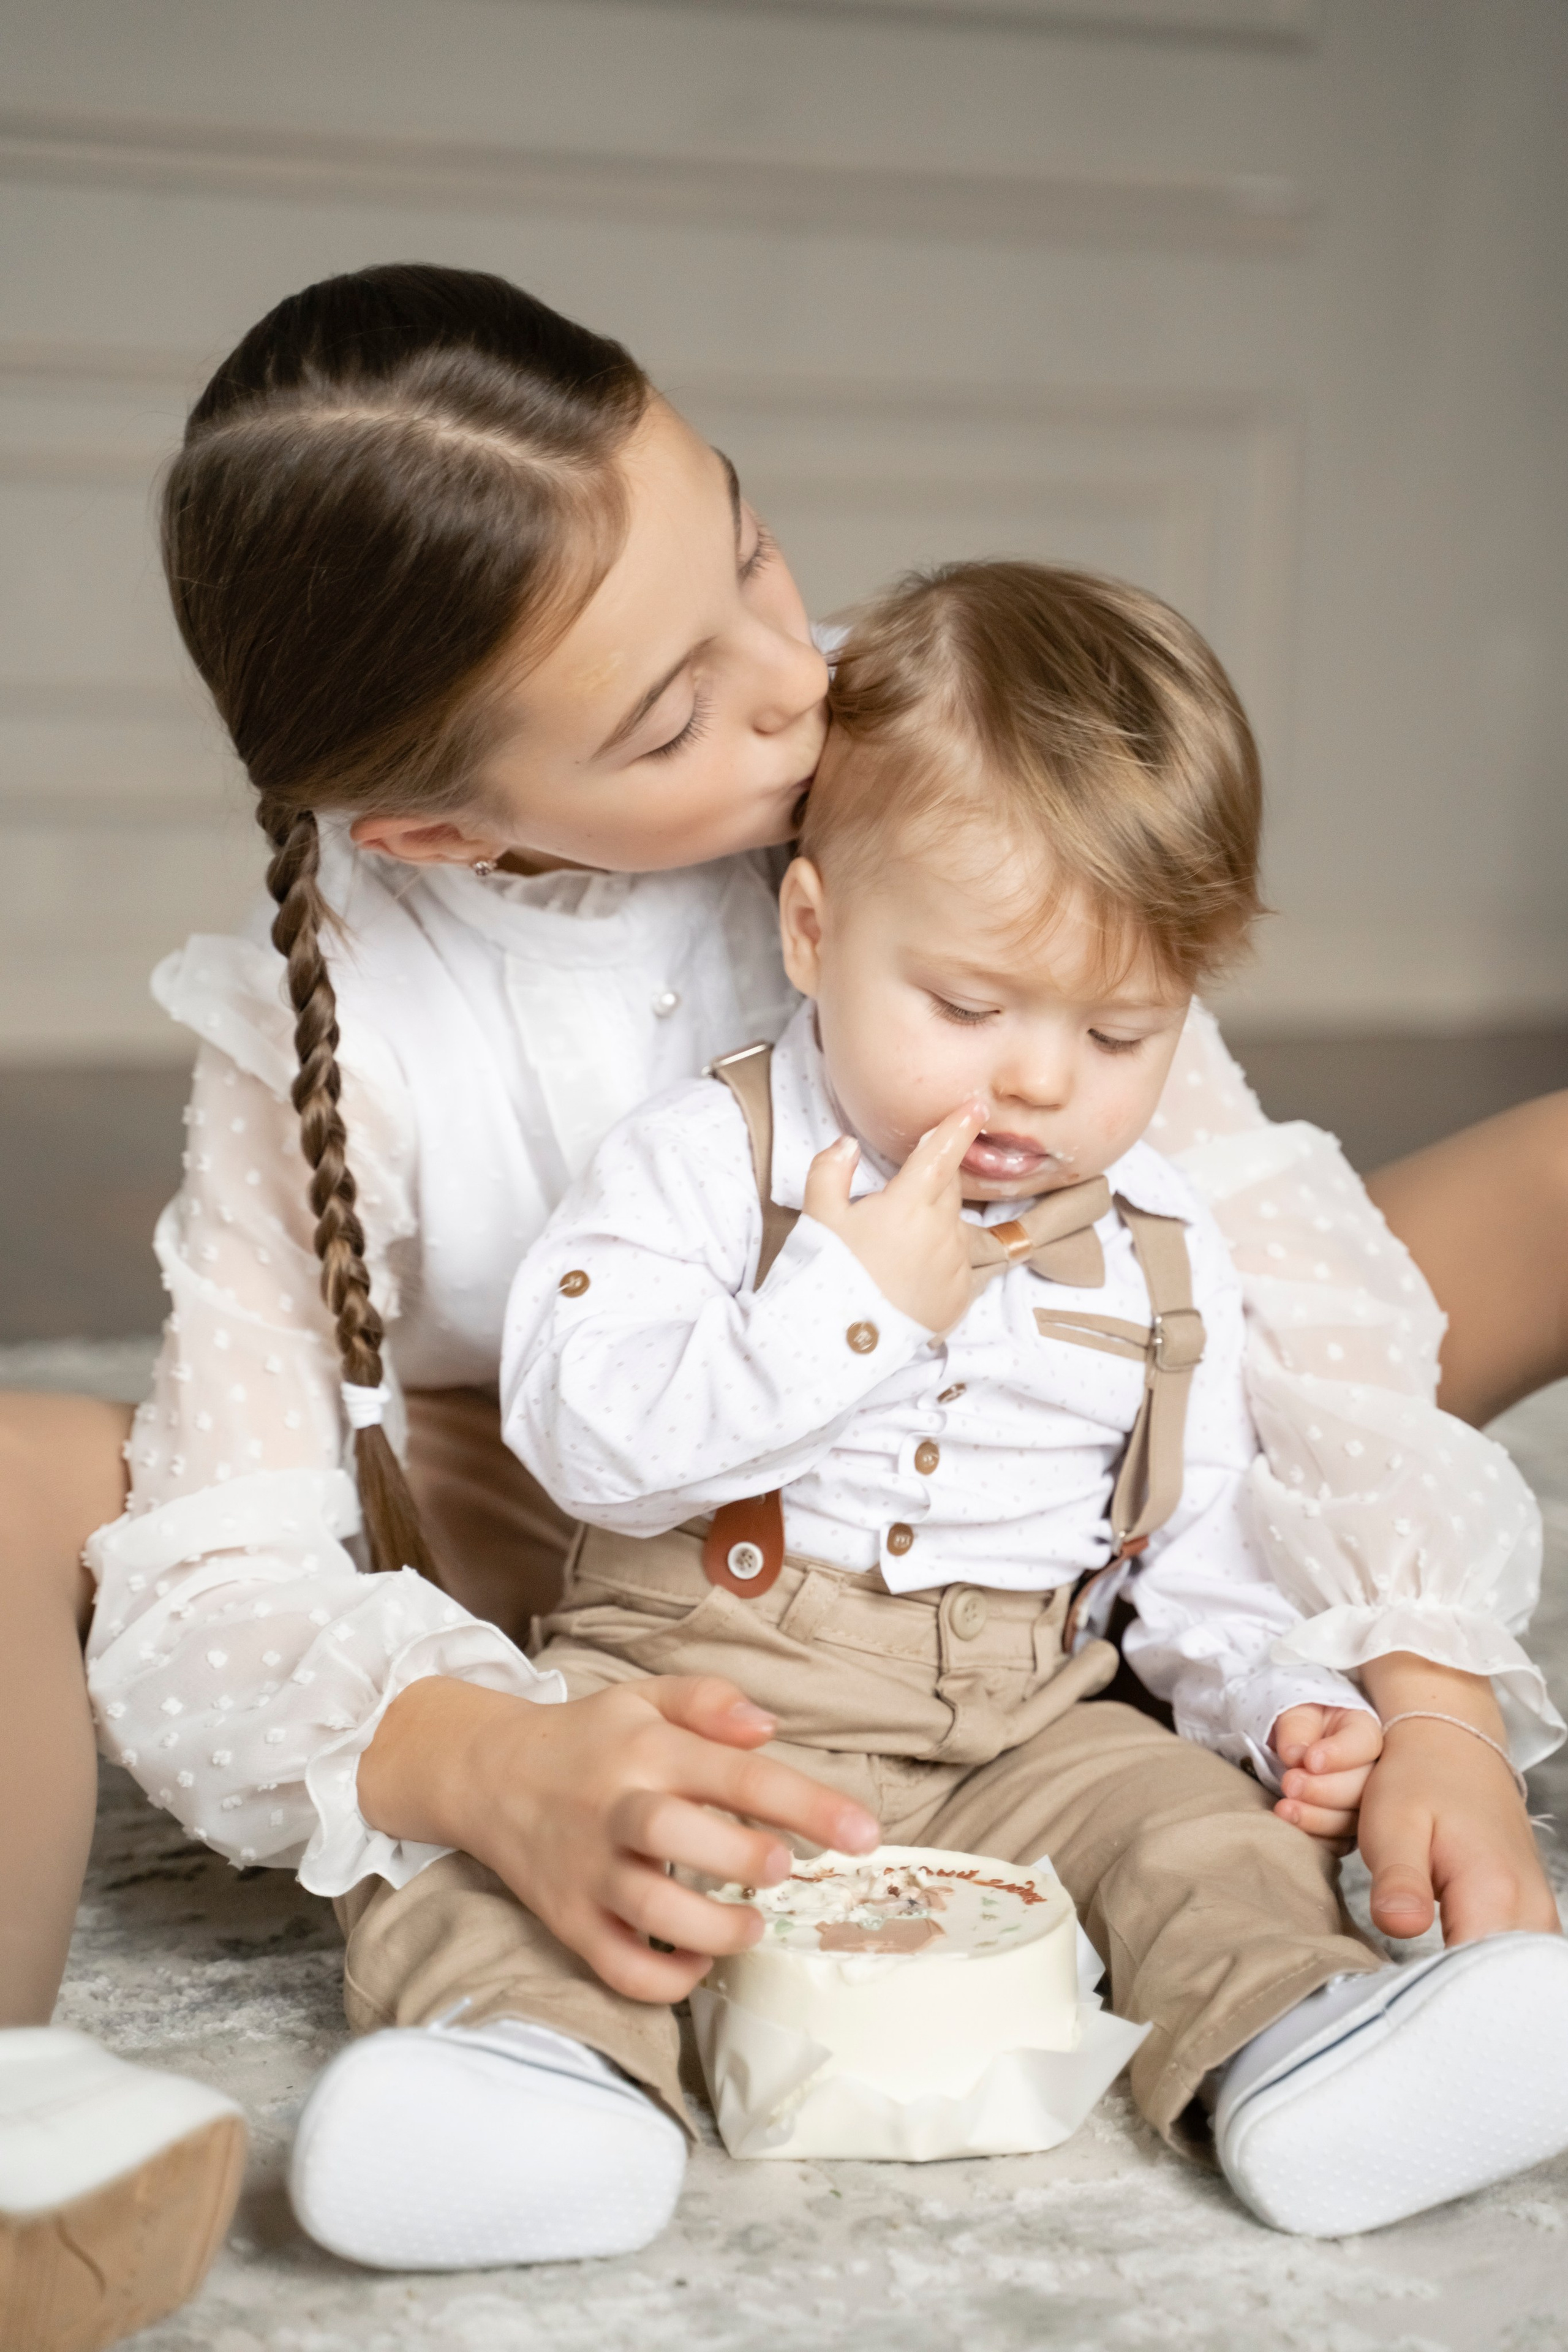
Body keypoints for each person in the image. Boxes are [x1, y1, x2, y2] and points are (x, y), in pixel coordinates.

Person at [0, 267, 1560, 2321]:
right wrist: (490, 1760)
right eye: (673, 713)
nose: (788, 683)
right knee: (26, 1471)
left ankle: (1328, 2032)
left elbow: (1257, 1230)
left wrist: (1424, 1701)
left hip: (1045, 1429)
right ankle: (40, 2118)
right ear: (435, 826)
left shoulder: (904, 744)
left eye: (747, 547)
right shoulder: (343, 1024)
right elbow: (226, 1562)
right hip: (585, 1554)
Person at [423, 558, 1557, 2253]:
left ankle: (1296, 2048)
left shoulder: (1162, 1240)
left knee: (1193, 1831)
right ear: (813, 932)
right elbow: (589, 1433)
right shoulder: (703, 1161)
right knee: (537, 1865)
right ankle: (534, 2085)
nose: (1038, 1080)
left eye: (1120, 1029)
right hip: (705, 1691)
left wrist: (1282, 1701)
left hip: (1023, 1714)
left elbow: (1201, 1537)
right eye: (966, 1007)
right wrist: (857, 1308)